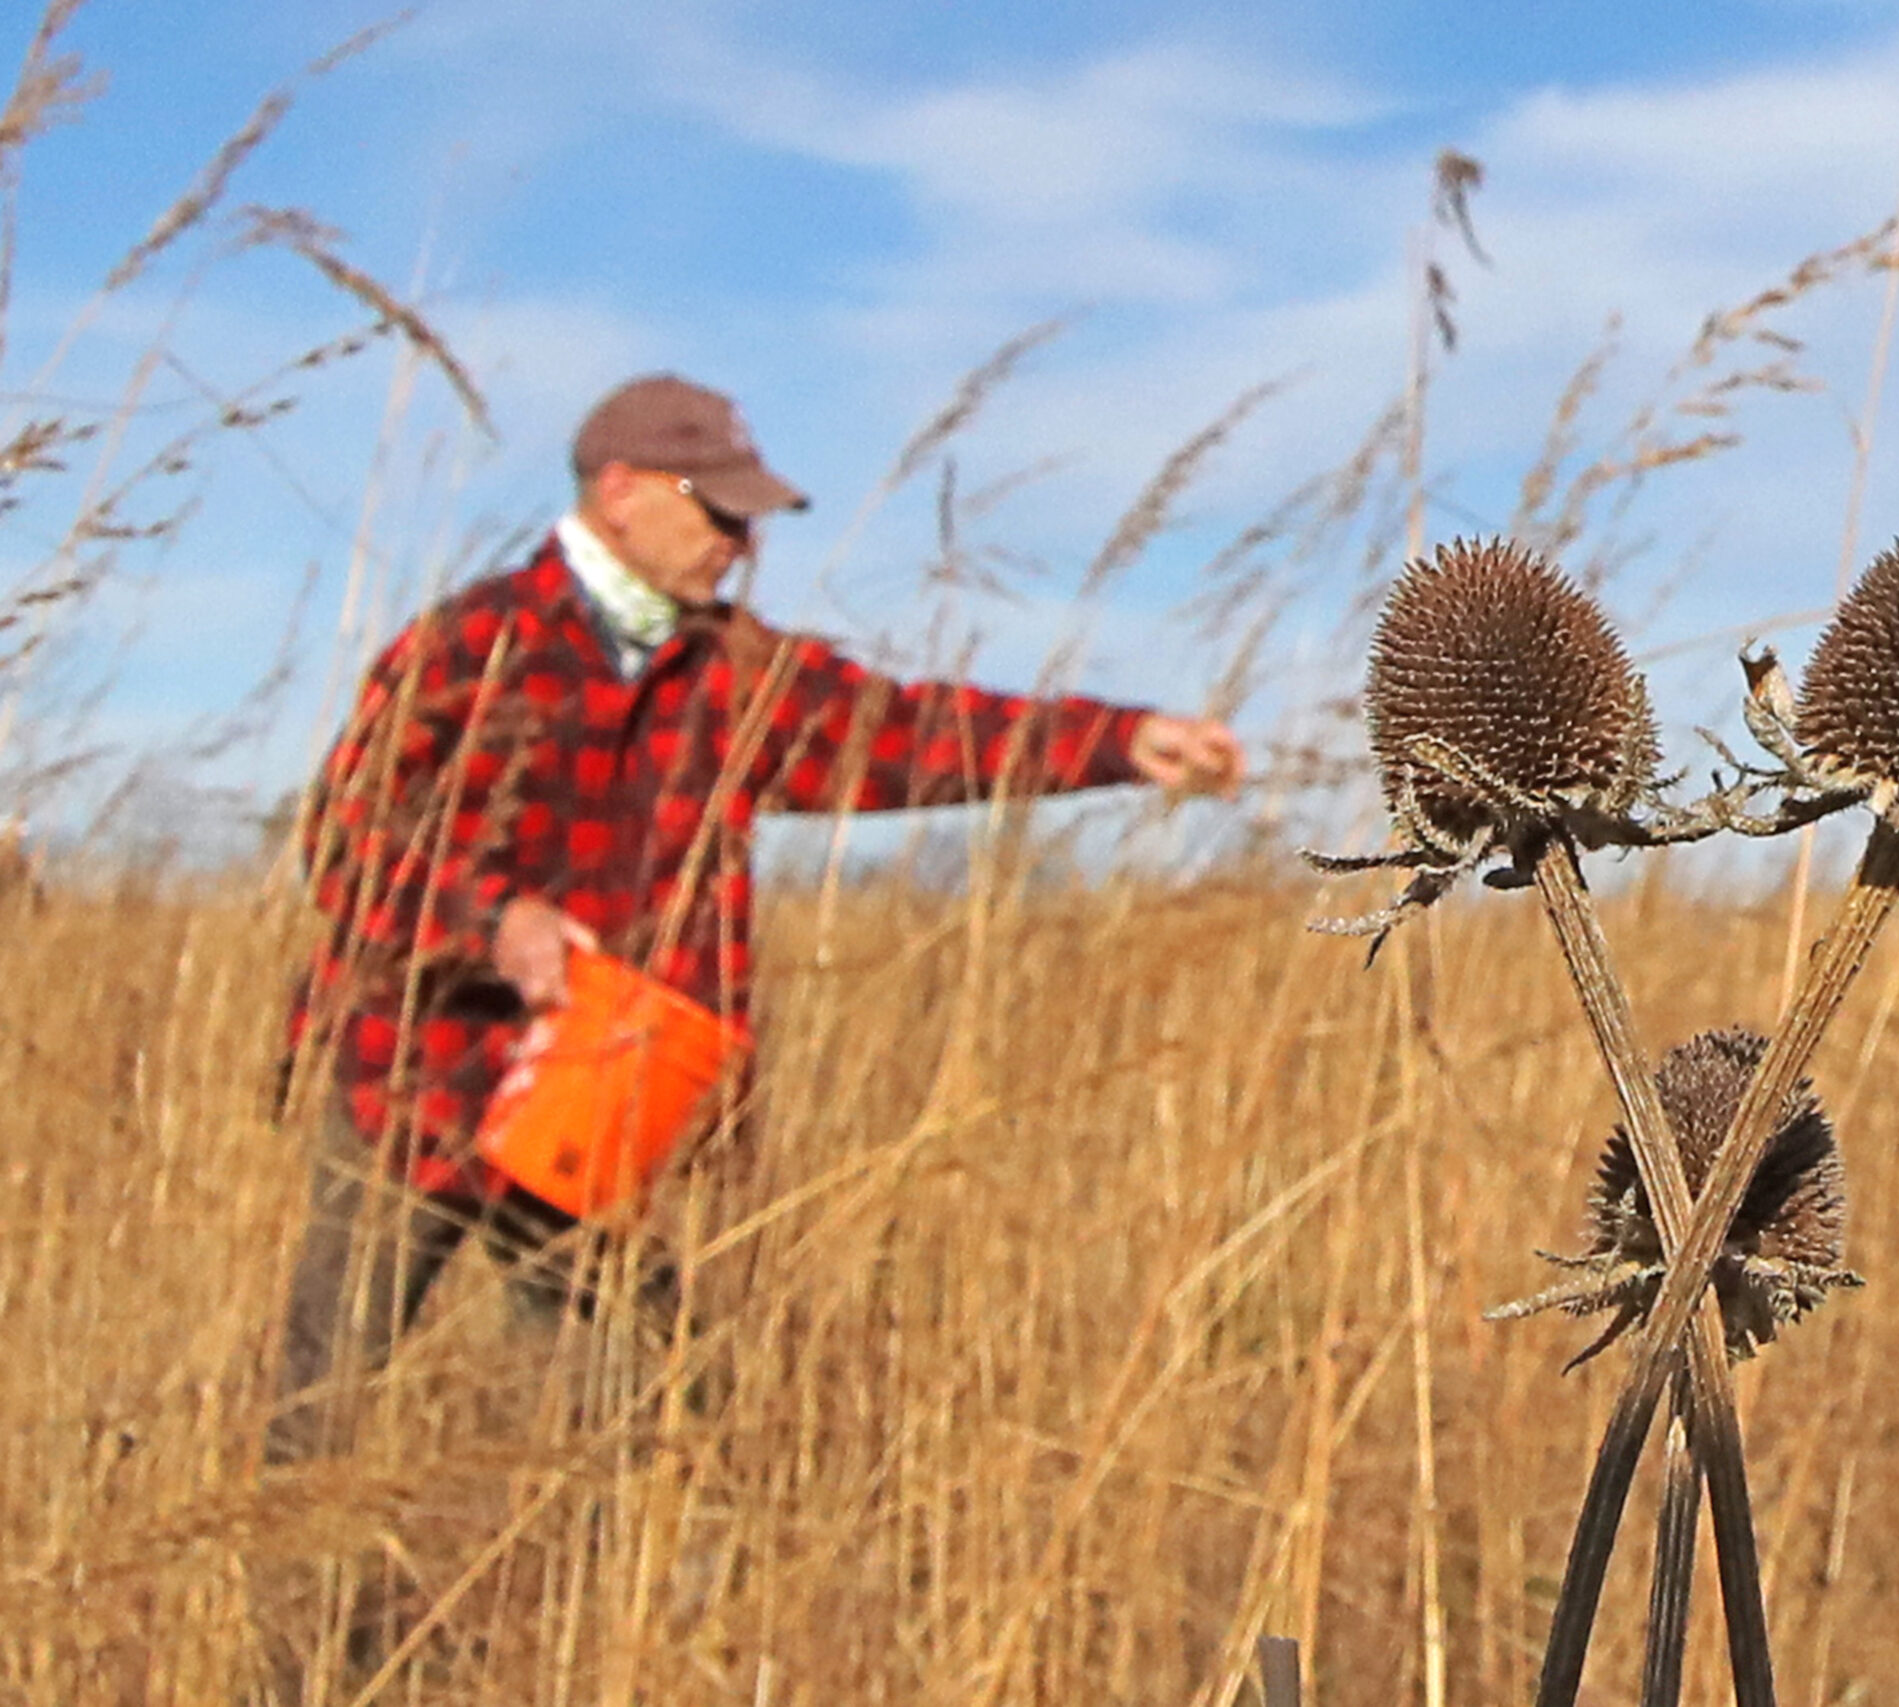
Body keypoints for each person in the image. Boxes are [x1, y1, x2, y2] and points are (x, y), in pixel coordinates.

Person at [266, 373, 1243, 1462]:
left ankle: (623, 1629)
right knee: (323, 1415)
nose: (739, 541)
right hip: (419, 1082)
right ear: (622, 490)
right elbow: (348, 839)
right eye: (717, 510)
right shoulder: (473, 640)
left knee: (655, 1415)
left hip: (600, 1101)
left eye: (748, 519)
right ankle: (298, 1638)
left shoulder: (736, 669)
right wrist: (493, 922)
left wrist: (1120, 742)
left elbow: (908, 734)